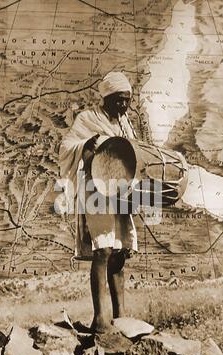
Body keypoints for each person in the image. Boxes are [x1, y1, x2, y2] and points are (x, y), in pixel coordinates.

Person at [59, 72, 138, 333]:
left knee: (119, 253)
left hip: (120, 191)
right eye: (119, 101)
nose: (124, 106)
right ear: (107, 97)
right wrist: (87, 145)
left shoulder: (125, 123)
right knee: (103, 251)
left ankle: (121, 315)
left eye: (127, 100)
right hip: (96, 191)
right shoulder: (87, 119)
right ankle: (100, 318)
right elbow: (67, 146)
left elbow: (135, 153)